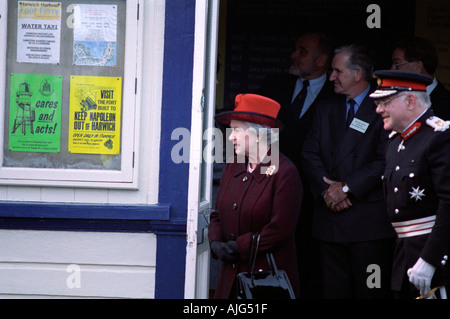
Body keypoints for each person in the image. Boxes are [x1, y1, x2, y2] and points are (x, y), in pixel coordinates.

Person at [301, 44, 396, 298]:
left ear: (358, 74)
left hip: (368, 225)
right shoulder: (326, 109)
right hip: (330, 222)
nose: (331, 77)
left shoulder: (385, 107)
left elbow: (385, 159)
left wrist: (346, 188)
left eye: (337, 71)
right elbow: (309, 153)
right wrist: (327, 192)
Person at [257, 32, 335, 298]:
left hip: (317, 200)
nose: (293, 55)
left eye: (301, 51)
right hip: (271, 191)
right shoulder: (273, 85)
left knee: (311, 264)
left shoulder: (337, 94)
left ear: (322, 60)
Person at [209, 93, 303, 299]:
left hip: (265, 280)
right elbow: (217, 213)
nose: (230, 136)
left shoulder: (284, 172)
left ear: (258, 134)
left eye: (236, 131)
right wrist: (216, 242)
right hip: (229, 278)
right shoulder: (234, 165)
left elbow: (280, 229)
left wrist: (239, 246)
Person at [372, 70, 450, 299]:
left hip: (436, 261)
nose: (378, 110)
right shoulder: (395, 143)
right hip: (404, 257)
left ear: (410, 100)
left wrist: (429, 259)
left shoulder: (439, 137)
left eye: (384, 102)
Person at [391, 36, 450, 120]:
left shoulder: (446, 103)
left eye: (397, 64)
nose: (392, 69)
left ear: (419, 66)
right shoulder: (394, 99)